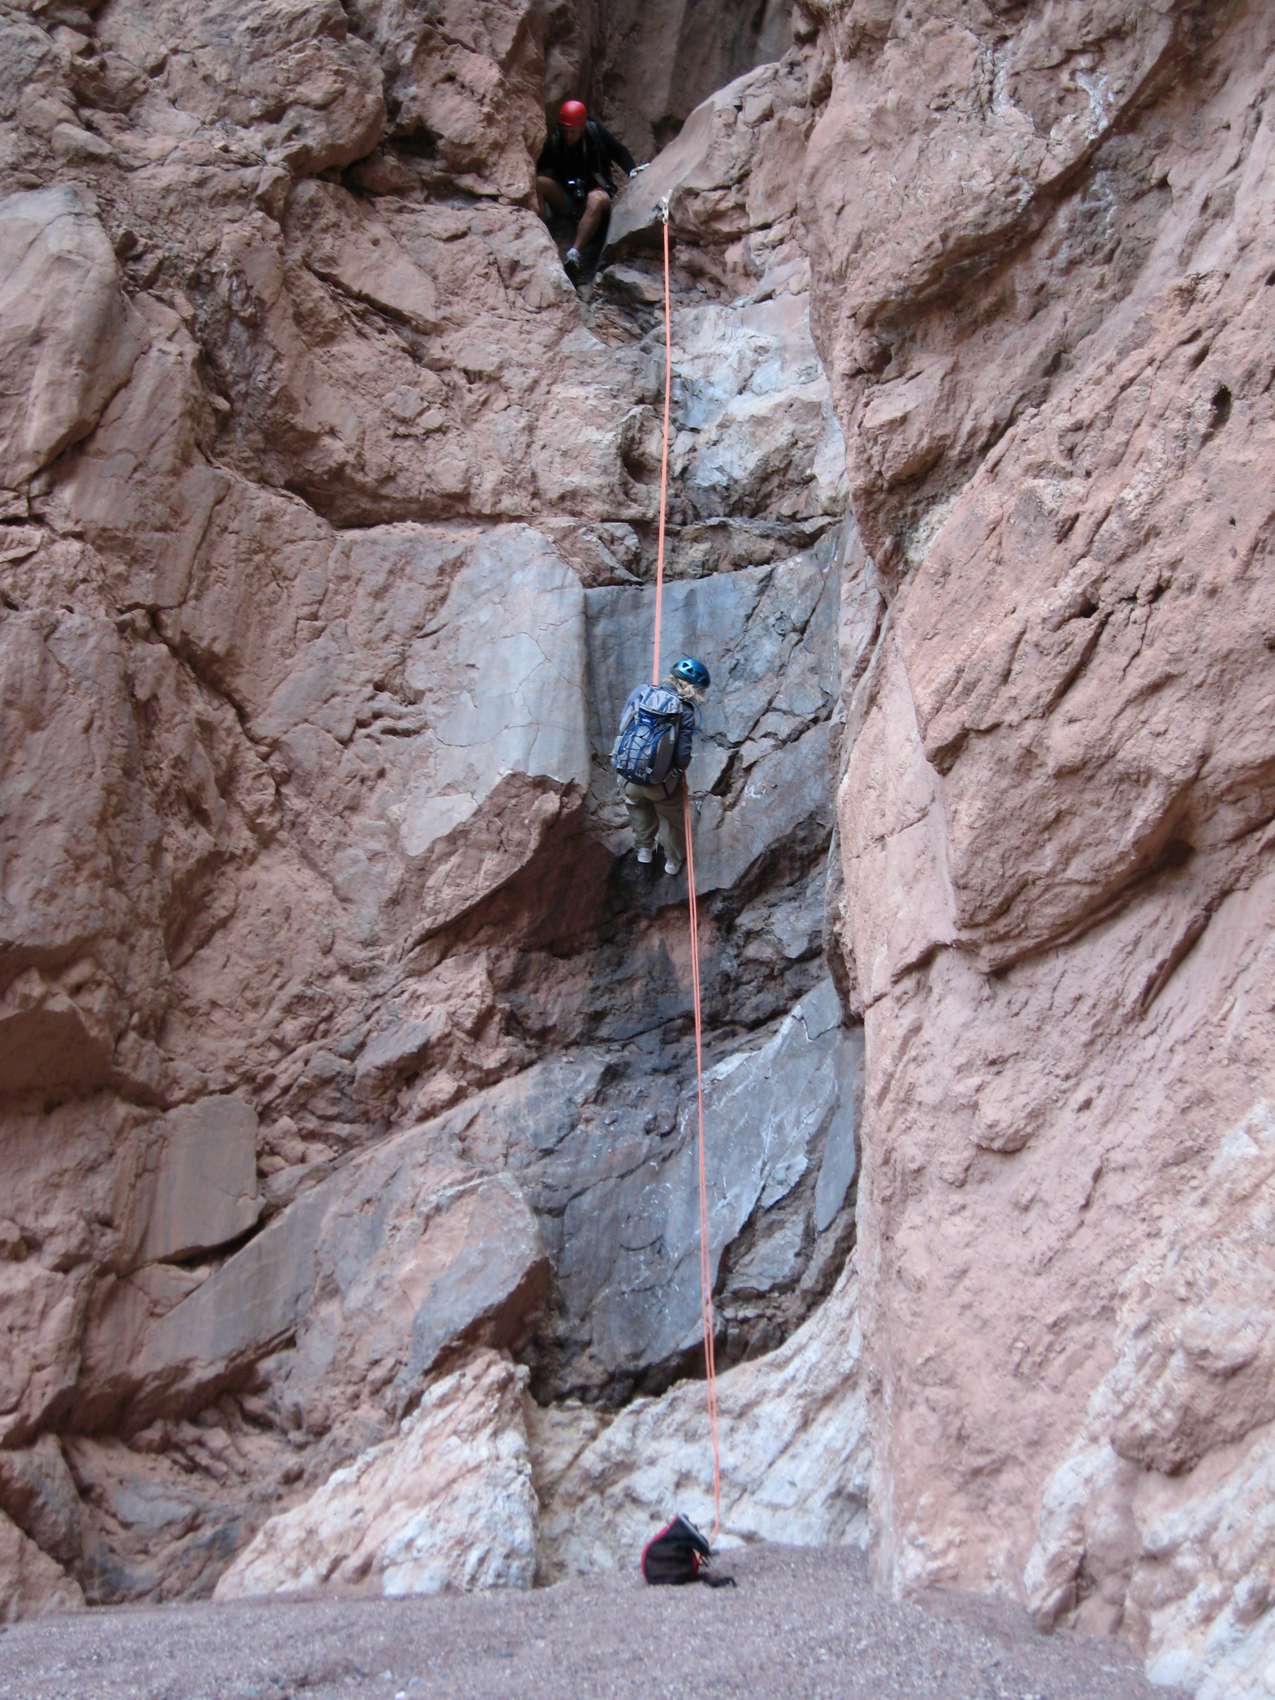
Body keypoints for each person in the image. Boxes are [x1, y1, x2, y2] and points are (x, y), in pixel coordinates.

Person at [613, 656, 711, 876]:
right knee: (671, 820)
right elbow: (682, 756)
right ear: (694, 688)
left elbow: (623, 726)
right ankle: (672, 862)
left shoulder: (642, 692)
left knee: (638, 807)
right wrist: (676, 770)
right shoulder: (685, 710)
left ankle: (644, 851)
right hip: (660, 784)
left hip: (628, 775)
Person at [536, 98, 639, 276]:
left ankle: (574, 253)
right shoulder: (556, 140)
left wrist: (632, 171)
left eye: (573, 131)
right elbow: (540, 166)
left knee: (596, 199)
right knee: (539, 183)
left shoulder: (594, 133)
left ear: (582, 127)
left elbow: (619, 151)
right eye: (566, 131)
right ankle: (542, 230)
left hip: (595, 194)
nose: (568, 136)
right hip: (568, 197)